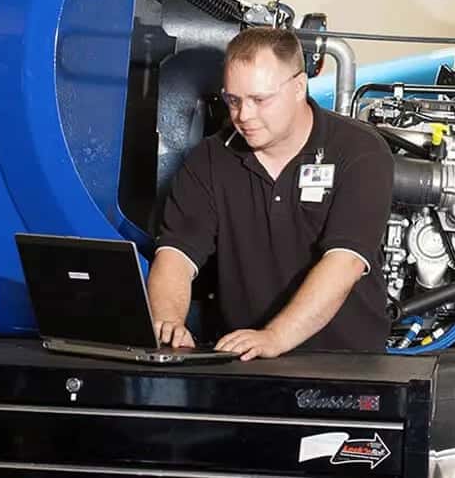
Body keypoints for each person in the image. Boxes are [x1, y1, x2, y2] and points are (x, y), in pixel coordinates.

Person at [147, 27, 395, 360]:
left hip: (346, 364)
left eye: (260, 100)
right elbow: (176, 253)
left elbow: (345, 260)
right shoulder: (210, 159)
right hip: (243, 362)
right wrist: (168, 322)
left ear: (298, 87)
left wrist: (275, 337)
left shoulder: (359, 151)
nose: (243, 116)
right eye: (233, 100)